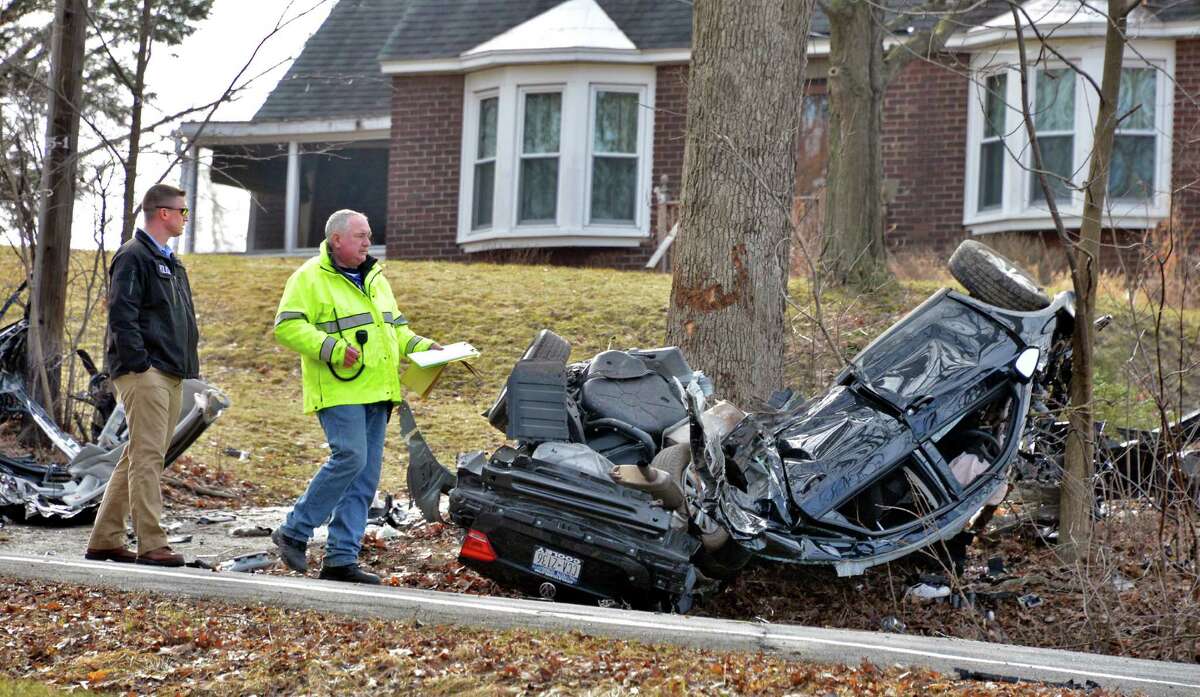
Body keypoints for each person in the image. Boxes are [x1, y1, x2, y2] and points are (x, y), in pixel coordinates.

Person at [271, 209, 439, 584]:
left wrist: (429, 349)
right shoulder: (310, 277)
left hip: (378, 390)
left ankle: (340, 560)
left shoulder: (377, 278)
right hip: (338, 387)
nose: (368, 242)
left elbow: (397, 331)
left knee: (365, 477)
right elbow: (286, 326)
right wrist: (330, 347)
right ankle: (294, 531)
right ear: (337, 240)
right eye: (361, 235)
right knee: (350, 457)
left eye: (369, 235)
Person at [85, 184, 199, 567]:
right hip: (145, 372)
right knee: (149, 457)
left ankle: (104, 538)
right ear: (162, 214)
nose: (185, 217)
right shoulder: (134, 255)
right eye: (182, 211)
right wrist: (139, 364)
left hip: (170, 371)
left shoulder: (170, 261)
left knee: (138, 455)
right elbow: (121, 314)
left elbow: (180, 320)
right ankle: (152, 543)